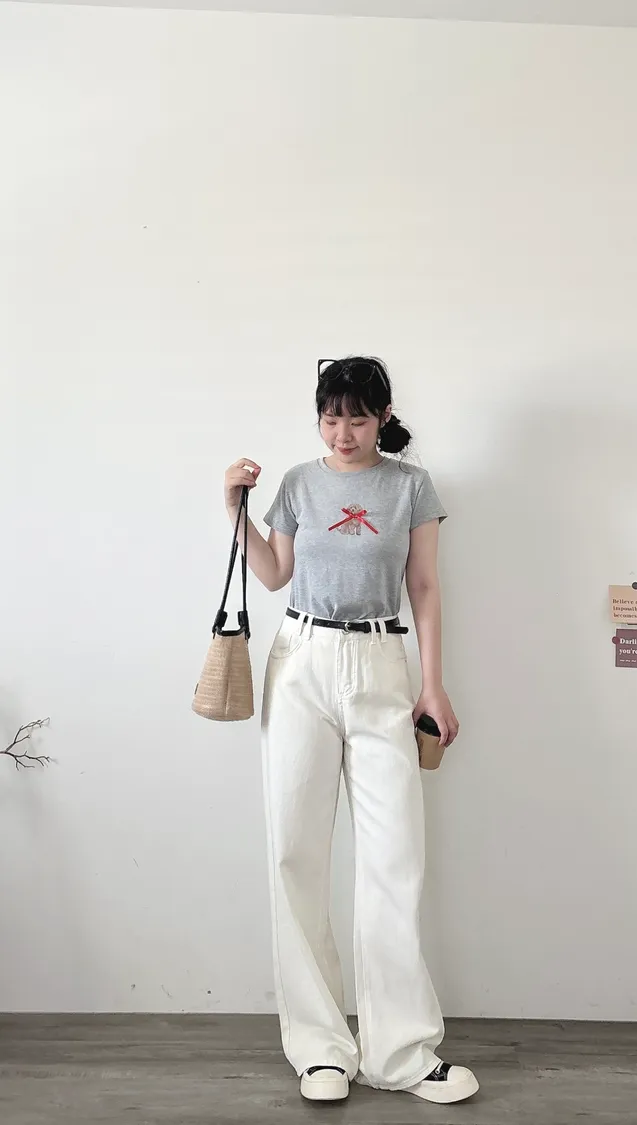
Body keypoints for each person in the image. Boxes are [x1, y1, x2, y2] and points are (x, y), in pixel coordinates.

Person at [223, 357, 478, 1105]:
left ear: (383, 416)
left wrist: (433, 682)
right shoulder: (299, 483)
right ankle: (320, 1049)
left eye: (358, 418)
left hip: (380, 662)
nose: (342, 433)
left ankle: (400, 1052)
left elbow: (423, 586)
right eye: (331, 418)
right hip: (301, 658)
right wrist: (234, 508)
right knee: (295, 852)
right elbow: (274, 574)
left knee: (394, 856)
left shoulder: (410, 487)